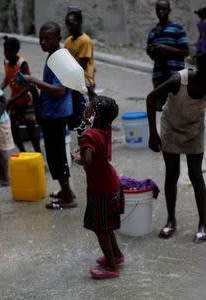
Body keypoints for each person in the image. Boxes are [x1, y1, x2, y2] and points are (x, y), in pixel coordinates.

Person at [146, 48, 206, 243]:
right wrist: (153, 133)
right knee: (172, 173)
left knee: (195, 174)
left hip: (194, 129)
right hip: (171, 127)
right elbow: (151, 99)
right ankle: (171, 220)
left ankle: (203, 224)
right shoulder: (179, 81)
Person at [20, 22, 76, 209]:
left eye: (48, 39)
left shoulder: (59, 59)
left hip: (57, 116)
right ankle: (66, 191)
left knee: (57, 157)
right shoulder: (52, 56)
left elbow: (60, 90)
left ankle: (68, 198)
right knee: (55, 156)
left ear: (58, 38)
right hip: (51, 114)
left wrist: (34, 80)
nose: (43, 42)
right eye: (41, 39)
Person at [71, 96, 124, 280]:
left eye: (90, 108)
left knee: (101, 230)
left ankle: (111, 267)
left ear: (97, 116)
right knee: (107, 226)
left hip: (101, 190)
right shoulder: (105, 128)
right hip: (112, 183)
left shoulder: (90, 135)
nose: (86, 109)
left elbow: (88, 161)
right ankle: (116, 254)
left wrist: (77, 157)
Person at [0, 36, 41, 153]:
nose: (6, 54)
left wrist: (12, 99)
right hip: (15, 100)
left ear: (16, 51)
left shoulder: (22, 64)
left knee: (31, 131)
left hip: (27, 100)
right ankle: (23, 153)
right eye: (5, 51)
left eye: (9, 51)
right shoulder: (6, 62)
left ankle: (39, 155)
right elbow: (7, 78)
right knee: (13, 129)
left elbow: (29, 85)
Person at [146, 0, 189, 90]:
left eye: (164, 9)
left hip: (176, 76)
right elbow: (152, 55)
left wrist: (165, 48)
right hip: (159, 77)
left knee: (176, 104)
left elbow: (185, 52)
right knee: (160, 104)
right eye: (158, 9)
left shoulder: (177, 28)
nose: (161, 11)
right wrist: (151, 51)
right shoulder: (153, 32)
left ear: (169, 10)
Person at [64, 7, 96, 125]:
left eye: (71, 24)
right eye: (67, 24)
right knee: (77, 118)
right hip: (73, 83)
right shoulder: (68, 41)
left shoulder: (85, 41)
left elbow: (81, 65)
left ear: (79, 22)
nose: (69, 27)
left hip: (84, 83)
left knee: (85, 116)